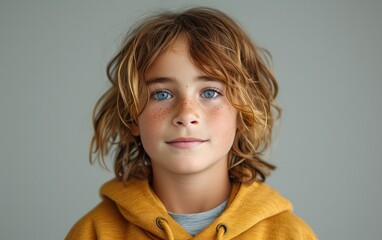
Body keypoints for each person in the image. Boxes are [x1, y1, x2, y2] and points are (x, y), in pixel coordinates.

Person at [66, 7, 317, 240]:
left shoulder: (290, 235)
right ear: (132, 116)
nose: (186, 114)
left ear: (244, 112)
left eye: (209, 93)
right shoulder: (93, 233)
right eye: (162, 94)